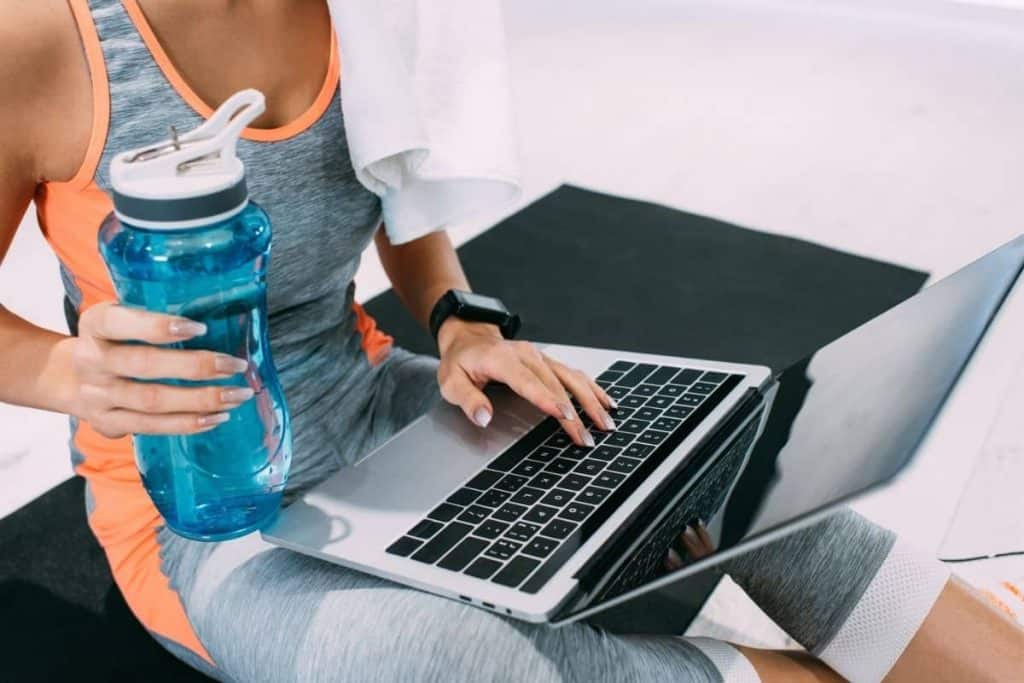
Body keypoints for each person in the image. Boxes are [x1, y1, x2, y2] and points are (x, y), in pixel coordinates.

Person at [1, 1, 1021, 681]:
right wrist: (68, 370)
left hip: (376, 401)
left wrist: (457, 320)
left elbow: (401, 193)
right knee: (423, 657)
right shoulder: (42, 38)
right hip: (201, 509)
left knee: (711, 449)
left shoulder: (367, 8)